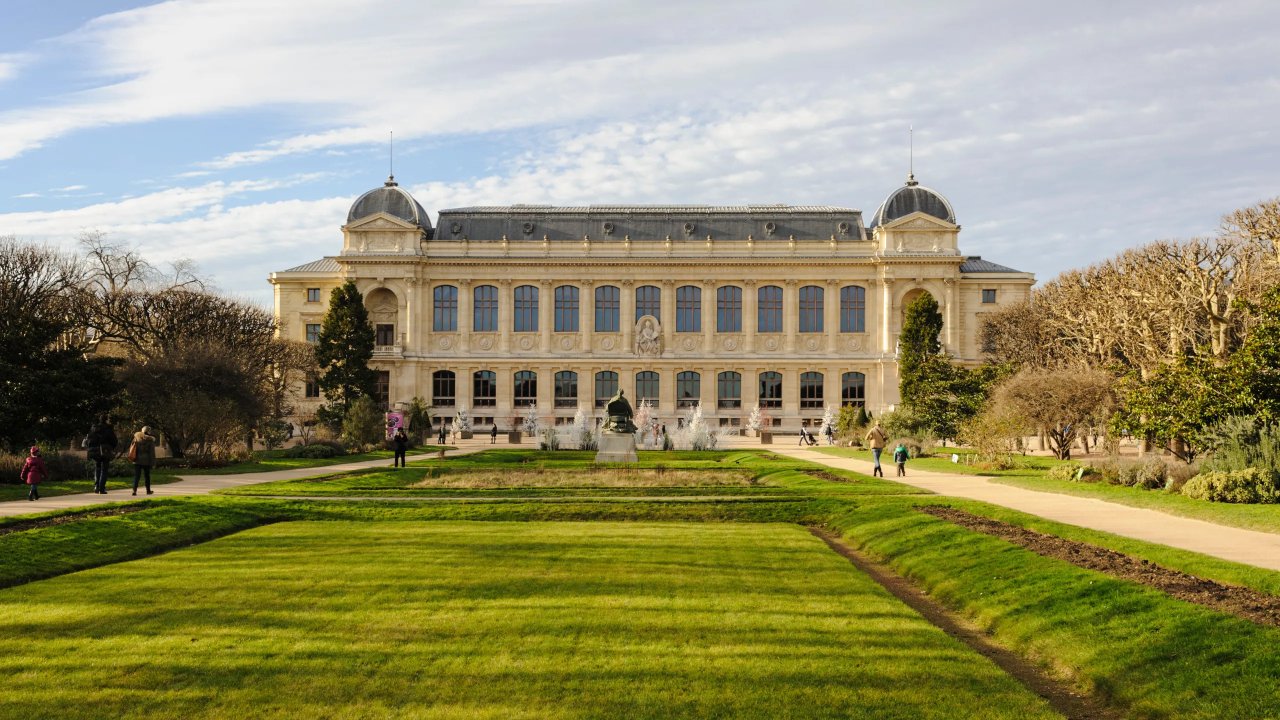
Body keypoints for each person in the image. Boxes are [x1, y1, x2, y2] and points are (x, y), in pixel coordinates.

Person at [85, 416, 118, 494]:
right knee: (104, 469)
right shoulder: (108, 429)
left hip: (95, 451)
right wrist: (110, 447)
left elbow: (88, 441)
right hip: (105, 450)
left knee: (97, 467)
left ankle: (96, 486)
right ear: (106, 420)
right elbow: (114, 441)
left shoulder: (93, 429)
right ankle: (102, 488)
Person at [128, 426, 157, 495]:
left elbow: (132, 447)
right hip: (146, 460)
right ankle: (148, 490)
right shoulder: (150, 440)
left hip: (137, 459)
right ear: (149, 432)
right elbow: (152, 453)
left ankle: (134, 490)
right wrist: (153, 463)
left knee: (137, 476)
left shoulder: (136, 438)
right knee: (147, 476)